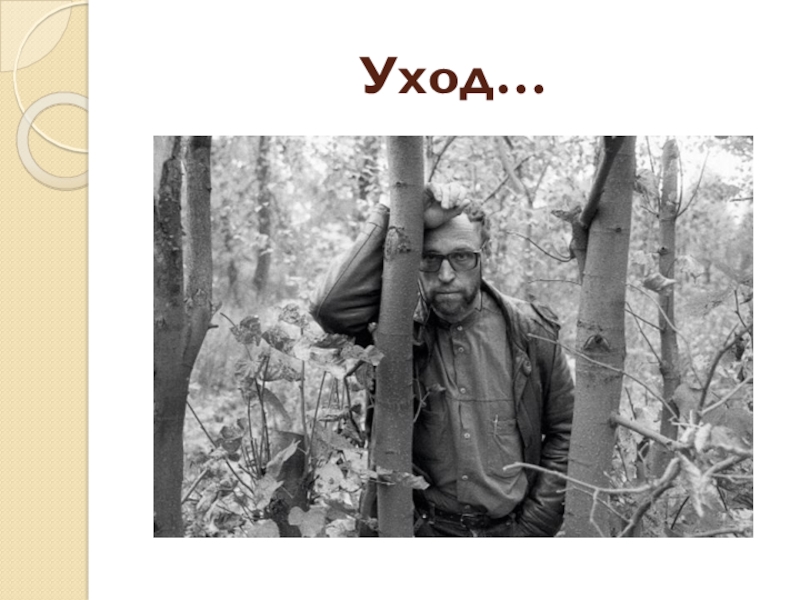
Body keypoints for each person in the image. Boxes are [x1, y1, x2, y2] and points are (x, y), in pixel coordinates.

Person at [310, 183, 574, 537]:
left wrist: (532, 528)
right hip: (418, 530)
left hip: (511, 530)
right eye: (430, 258)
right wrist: (391, 213)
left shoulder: (531, 332)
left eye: (462, 256)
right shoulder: (395, 329)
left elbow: (565, 432)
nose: (446, 274)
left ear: (484, 255)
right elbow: (331, 308)